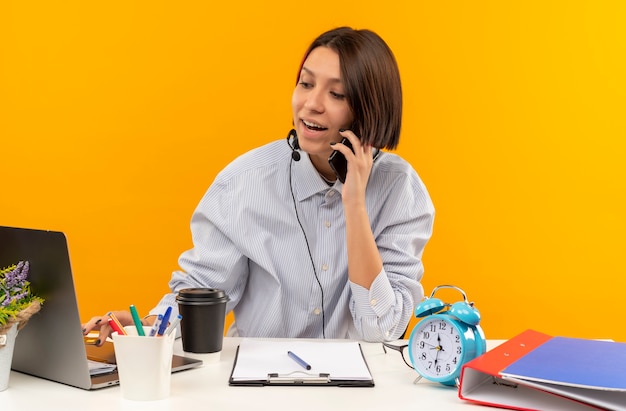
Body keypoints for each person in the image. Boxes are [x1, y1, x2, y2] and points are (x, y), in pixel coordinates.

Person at [83, 26, 434, 343]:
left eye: (337, 94)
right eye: (306, 84)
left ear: (369, 109)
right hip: (256, 381)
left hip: (360, 387)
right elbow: (204, 290)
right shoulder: (244, 182)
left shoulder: (400, 190)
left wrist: (355, 205)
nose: (311, 104)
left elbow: (382, 328)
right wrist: (142, 329)